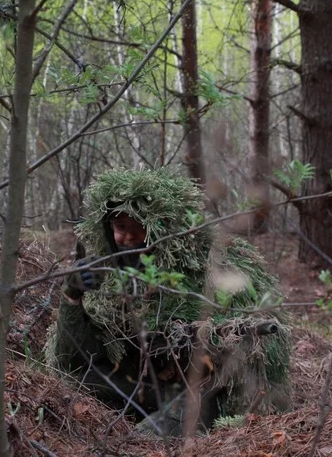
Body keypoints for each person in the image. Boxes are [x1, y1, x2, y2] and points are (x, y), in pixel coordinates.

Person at [45, 168, 291, 436]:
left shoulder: (204, 269)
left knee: (186, 411)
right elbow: (76, 363)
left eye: (139, 227)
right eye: (120, 227)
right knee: (83, 381)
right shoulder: (102, 275)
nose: (128, 238)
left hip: (201, 392)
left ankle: (140, 441)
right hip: (142, 389)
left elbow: (248, 347)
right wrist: (72, 296)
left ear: (162, 228)